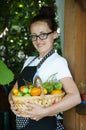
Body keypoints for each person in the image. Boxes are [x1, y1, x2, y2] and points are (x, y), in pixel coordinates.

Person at [8, 6, 81, 130]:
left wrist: (44, 112)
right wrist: (12, 103)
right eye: (34, 36)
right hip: (22, 124)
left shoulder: (58, 61)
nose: (38, 40)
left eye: (43, 35)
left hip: (44, 124)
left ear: (54, 35)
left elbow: (75, 97)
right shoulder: (29, 60)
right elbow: (15, 91)